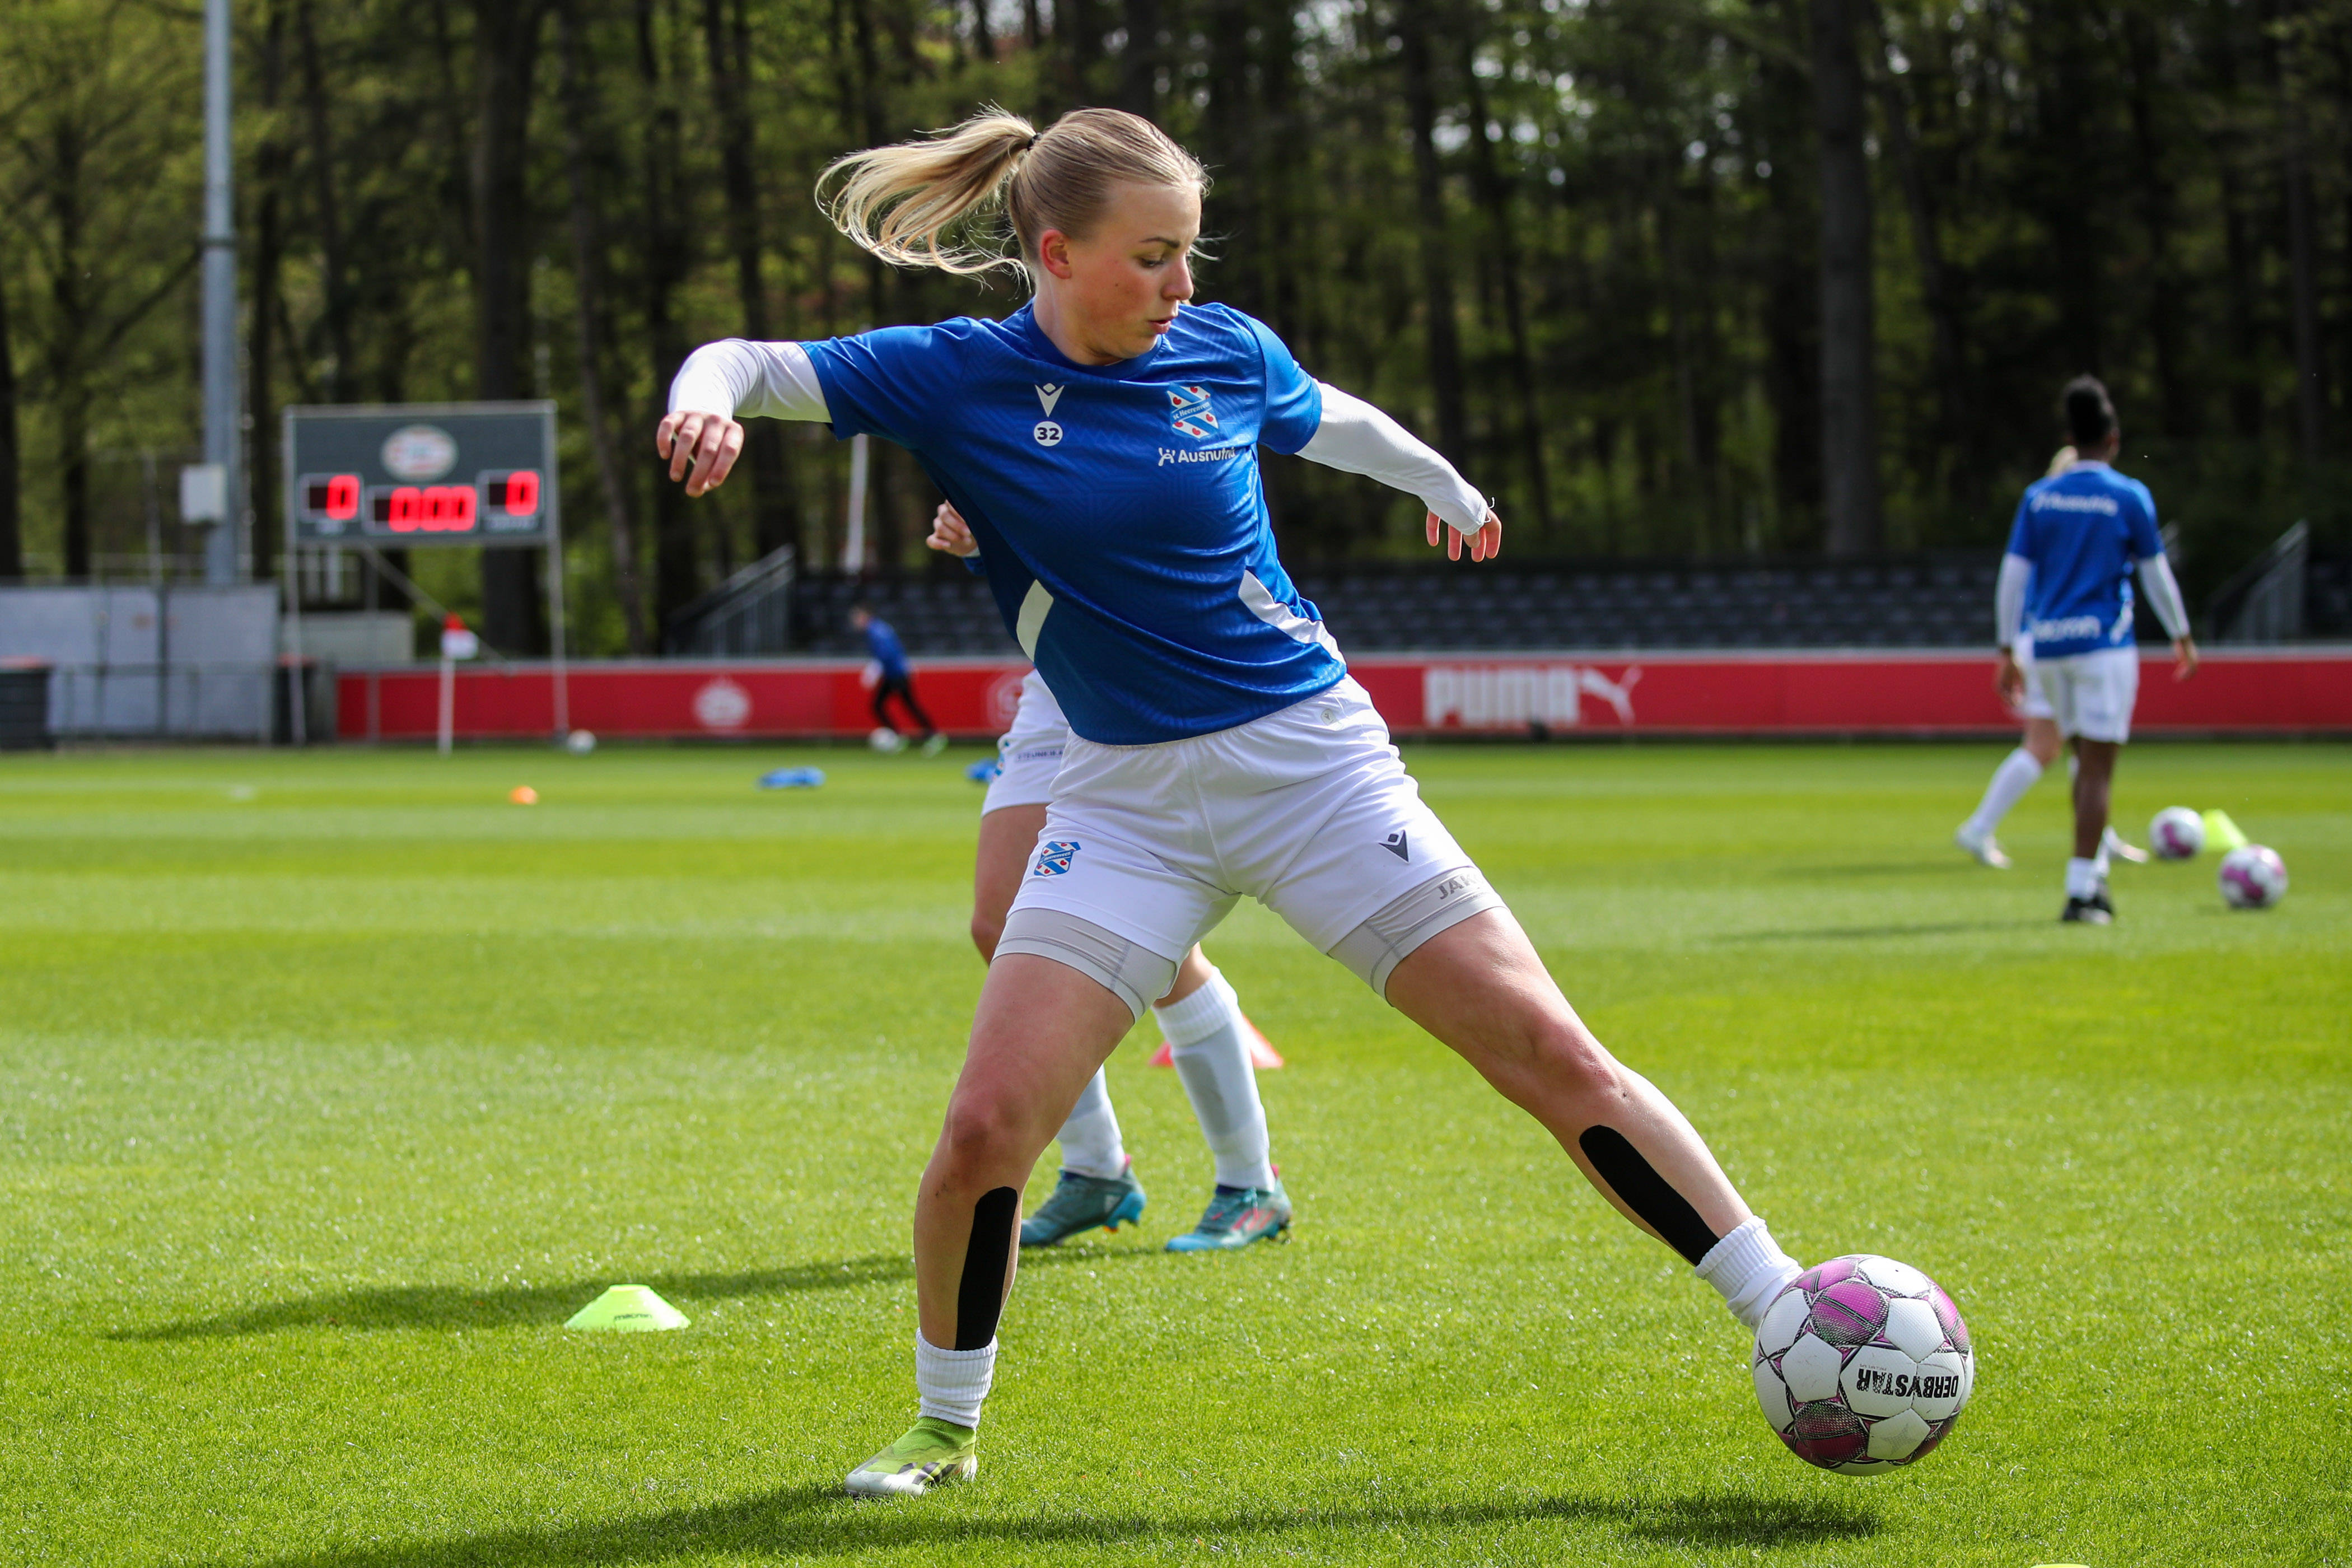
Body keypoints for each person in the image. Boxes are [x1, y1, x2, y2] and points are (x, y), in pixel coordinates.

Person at [660, 106, 1815, 1499]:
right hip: (1120, 802)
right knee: (983, 1135)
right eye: (1152, 256)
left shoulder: (1223, 348)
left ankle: (1793, 1310)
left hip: (1311, 769)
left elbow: (1333, 419)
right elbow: (745, 359)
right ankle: (945, 1429)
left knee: (1550, 1054)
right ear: (1055, 253)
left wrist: (1443, 482)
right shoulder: (955, 375)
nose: (1182, 284)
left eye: (1190, 253)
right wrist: (706, 400)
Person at [944, 497, 1292, 1254]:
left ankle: (1250, 1182)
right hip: (1060, 670)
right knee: (999, 921)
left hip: (1151, 661)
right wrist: (987, 543)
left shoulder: (1173, 423)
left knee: (1162, 947)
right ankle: (1096, 1169)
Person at [1991, 377, 2197, 924]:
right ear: (2113, 439)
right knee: (2098, 769)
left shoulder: (2039, 497)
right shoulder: (2128, 496)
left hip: (2049, 647)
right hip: (2103, 647)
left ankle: (2093, 877)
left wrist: (2007, 648)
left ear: (2070, 439)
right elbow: (2155, 574)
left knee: (2083, 764)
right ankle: (2081, 893)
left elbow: (2013, 578)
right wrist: (2181, 633)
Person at [1953, 443, 2151, 874]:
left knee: (2084, 743)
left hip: (2045, 639)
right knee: (2046, 746)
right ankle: (1979, 827)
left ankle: (2100, 836)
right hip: (2056, 641)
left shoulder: (2048, 518)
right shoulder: (2081, 521)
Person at [850, 604, 945, 755]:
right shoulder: (879, 629)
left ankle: (931, 736)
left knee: (904, 705)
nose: (855, 621)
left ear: (866, 616)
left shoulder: (876, 631)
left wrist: (874, 670)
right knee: (882, 705)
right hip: (894, 673)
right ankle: (903, 736)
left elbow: (887, 654)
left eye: (857, 617)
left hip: (896, 674)